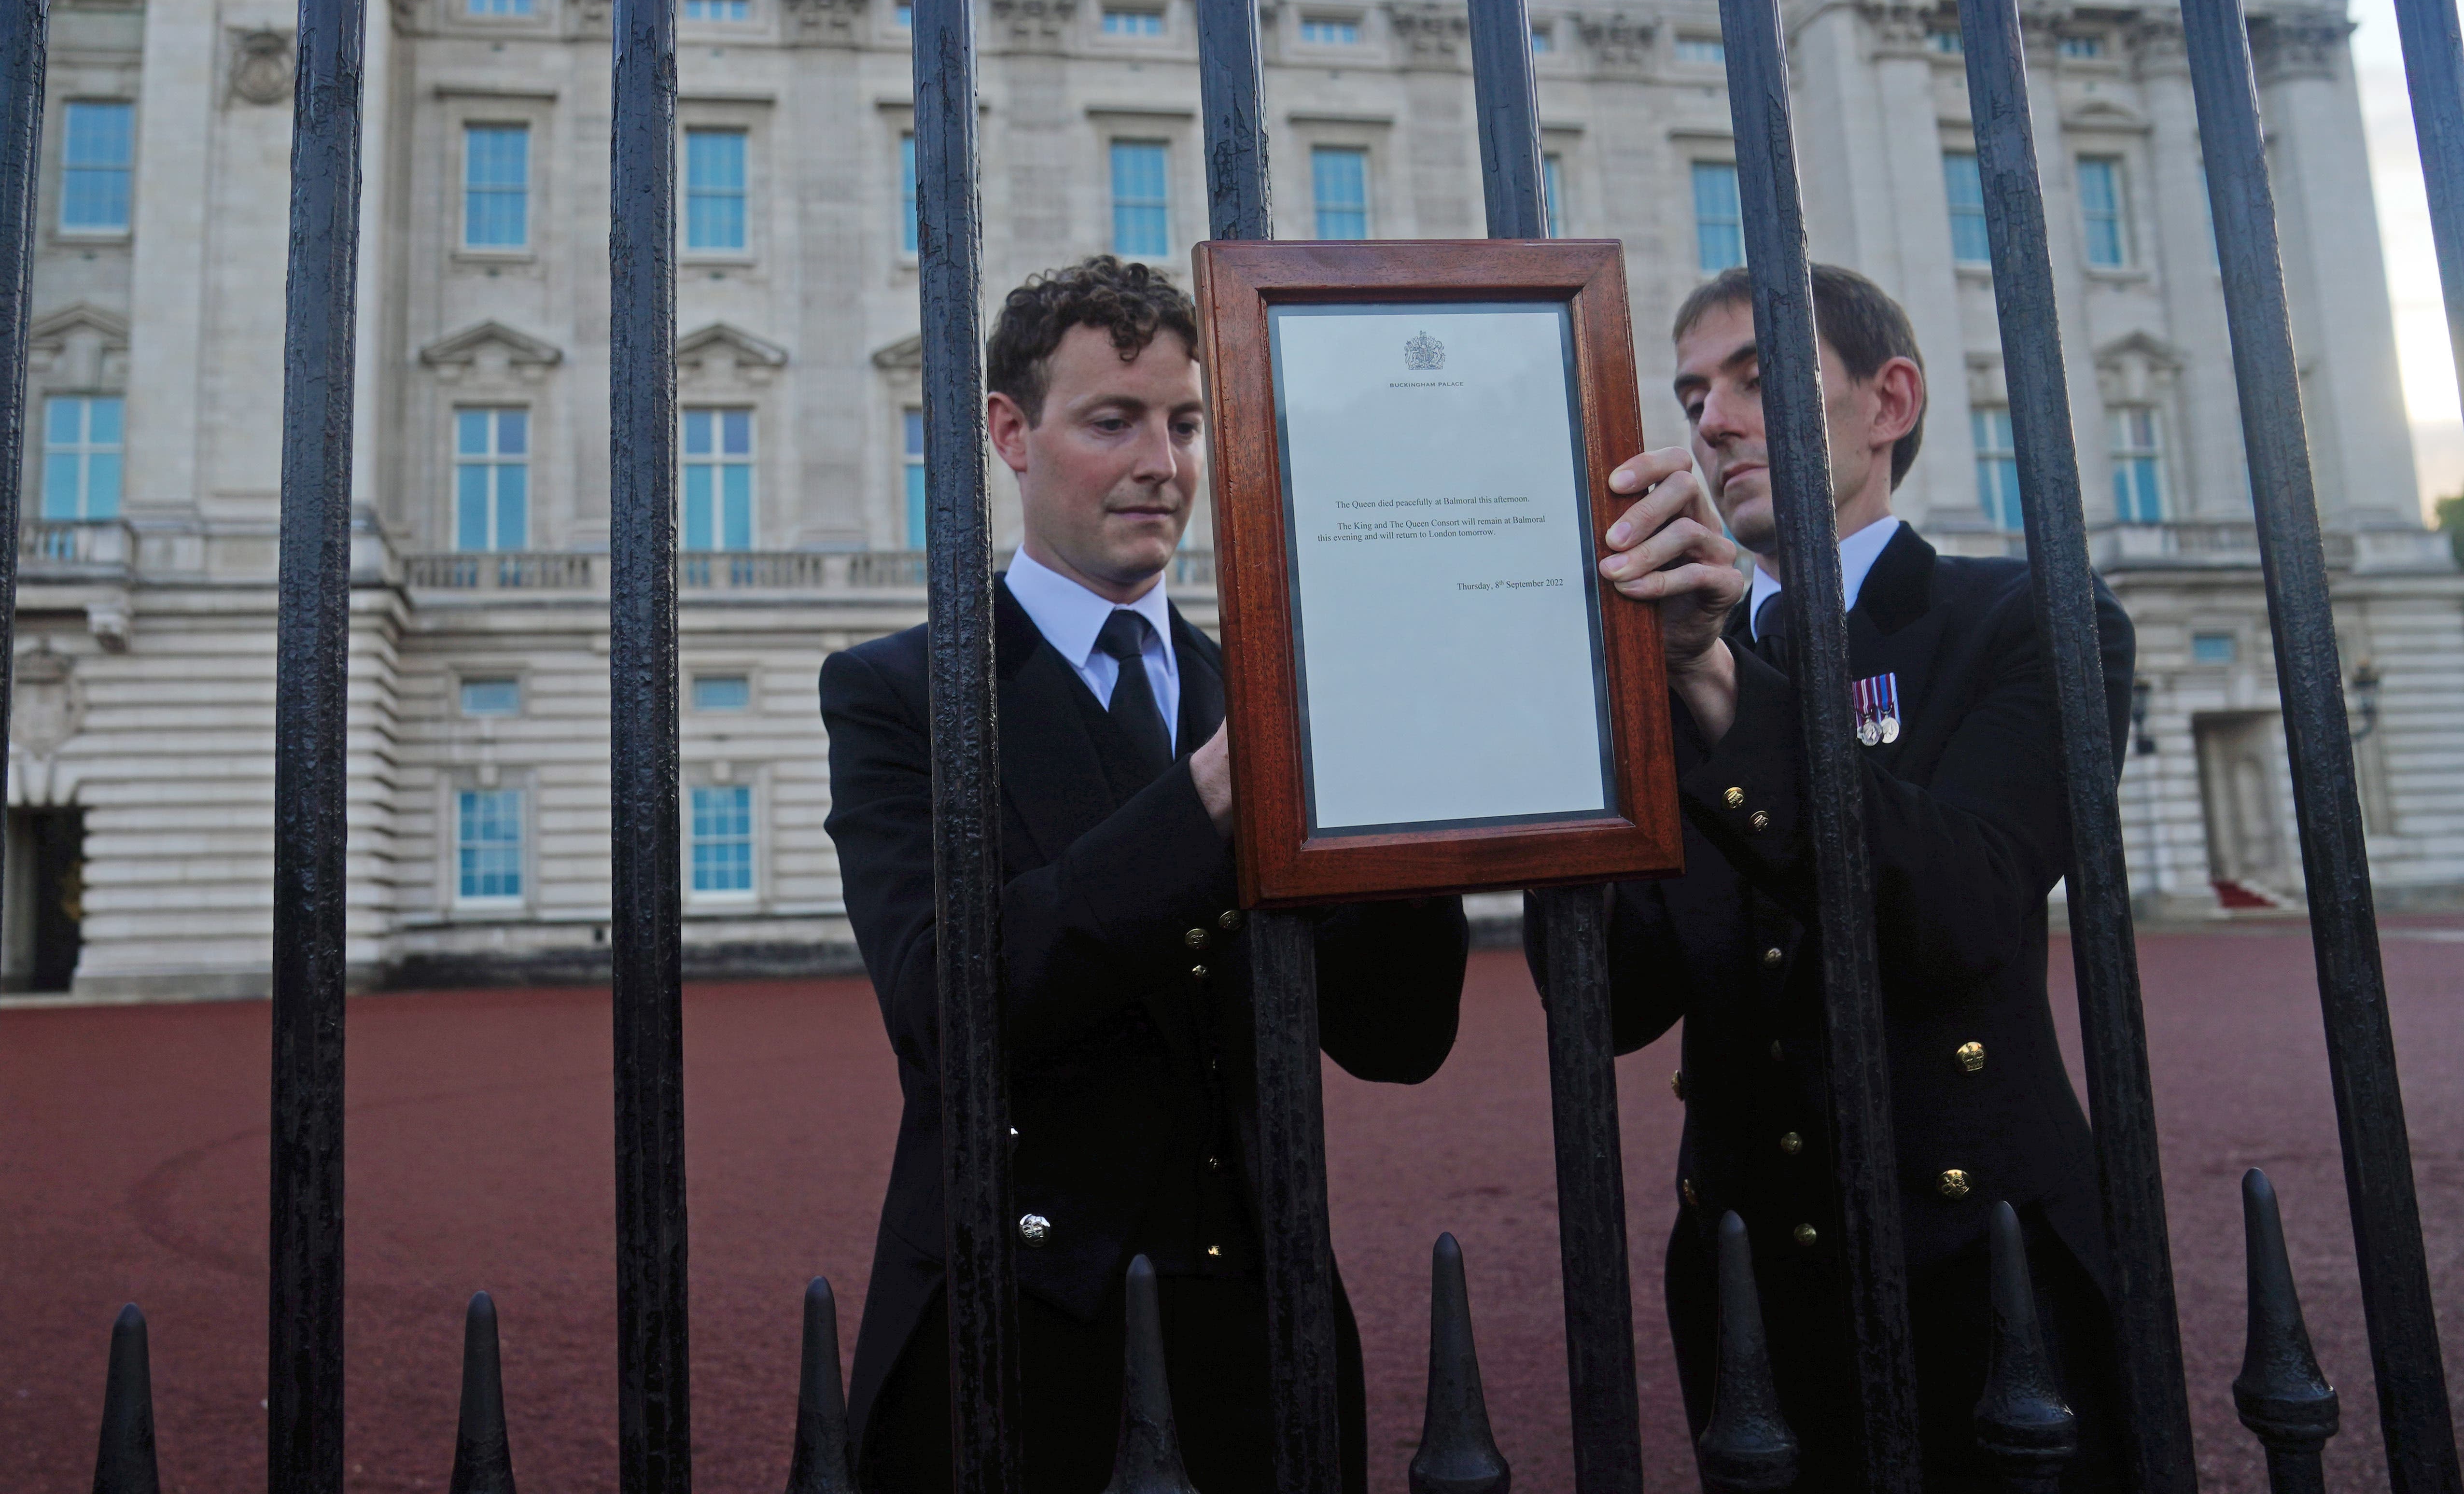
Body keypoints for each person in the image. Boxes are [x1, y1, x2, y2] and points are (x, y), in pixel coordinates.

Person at [822, 257, 1470, 1494]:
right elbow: (950, 1008)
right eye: (1112, 421)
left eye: (1183, 423)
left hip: (1262, 1334)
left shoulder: (1260, 682)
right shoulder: (902, 692)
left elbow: (1400, 1035)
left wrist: (1408, 781)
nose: (1162, 464)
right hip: (1023, 1329)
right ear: (1012, 433)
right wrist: (1217, 788)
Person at [1569, 263, 2132, 1490]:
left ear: (1891, 400)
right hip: (1749, 1270)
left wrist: (1712, 683)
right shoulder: (1647, 661)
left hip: (1977, 1253)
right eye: (1693, 392)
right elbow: (1616, 998)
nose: (1711, 420)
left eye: (1758, 381)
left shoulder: (2027, 617)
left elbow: (1966, 905)